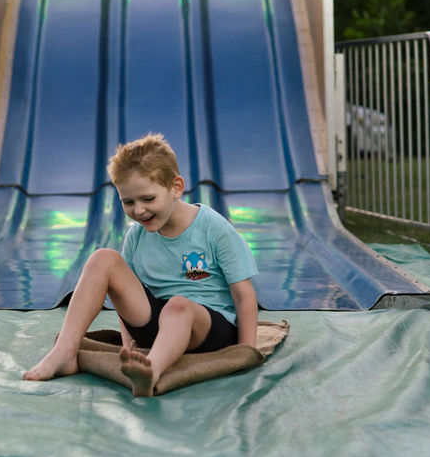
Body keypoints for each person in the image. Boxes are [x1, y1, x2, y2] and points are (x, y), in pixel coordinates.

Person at [23, 133, 259, 396]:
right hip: (156, 327)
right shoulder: (136, 235)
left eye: (148, 199)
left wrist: (245, 352)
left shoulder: (213, 228)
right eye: (128, 202)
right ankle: (65, 351)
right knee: (103, 258)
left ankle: (150, 372)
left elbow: (244, 295)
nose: (138, 210)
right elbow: (126, 298)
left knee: (178, 305)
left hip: (208, 330)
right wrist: (129, 346)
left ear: (176, 187)